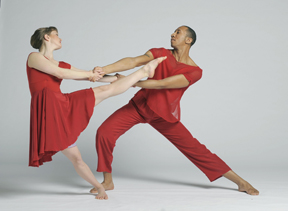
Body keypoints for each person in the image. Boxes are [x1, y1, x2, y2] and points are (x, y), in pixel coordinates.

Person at [90, 26, 259, 196]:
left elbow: (163, 84)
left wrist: (130, 81)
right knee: (104, 133)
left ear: (188, 40)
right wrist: (104, 70)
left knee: (197, 150)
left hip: (164, 115)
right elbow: (133, 61)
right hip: (139, 106)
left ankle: (241, 182)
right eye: (173, 31)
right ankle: (108, 181)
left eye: (178, 32)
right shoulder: (160, 53)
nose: (172, 34)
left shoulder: (195, 71)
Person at [27, 26, 166, 200]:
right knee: (76, 159)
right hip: (50, 112)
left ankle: (143, 72)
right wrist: (90, 74)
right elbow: (59, 73)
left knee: (106, 89)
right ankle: (100, 187)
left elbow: (86, 76)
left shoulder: (60, 63)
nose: (60, 38)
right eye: (57, 35)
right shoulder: (34, 58)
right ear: (47, 37)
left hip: (62, 104)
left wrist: (116, 78)